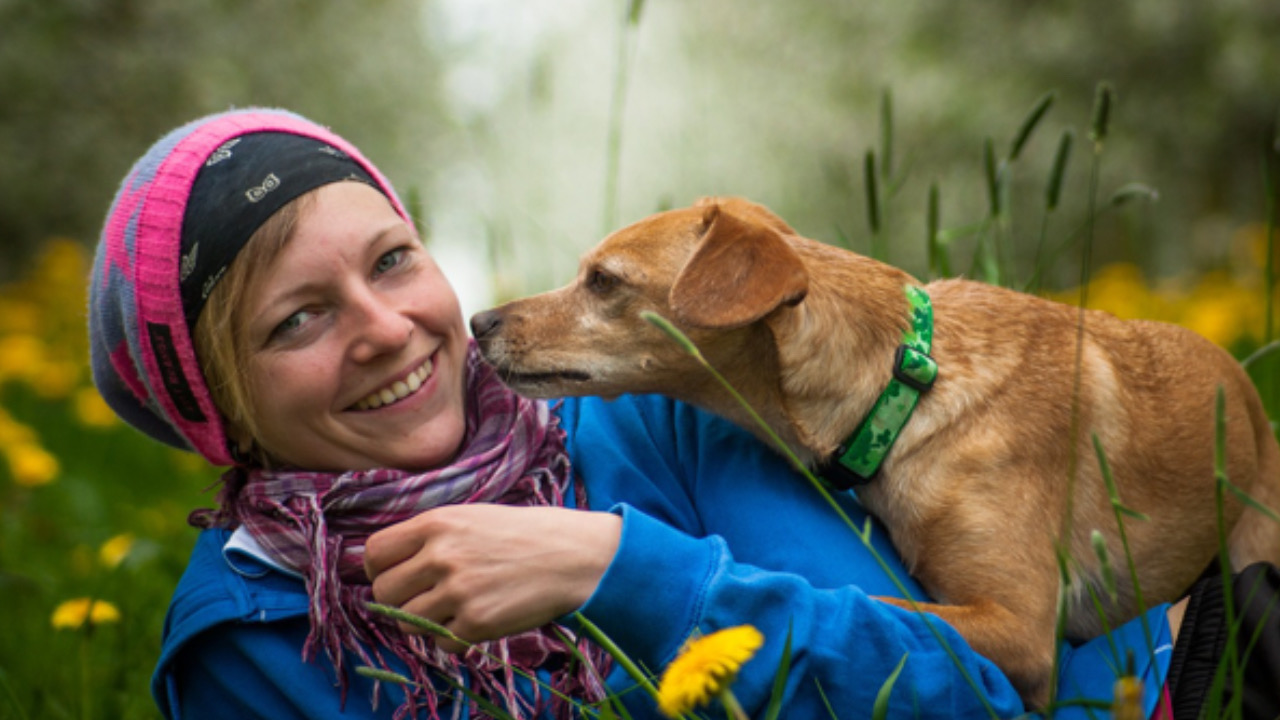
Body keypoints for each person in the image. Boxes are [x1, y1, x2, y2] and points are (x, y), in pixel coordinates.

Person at [87, 108, 1264, 720]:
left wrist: (622, 570)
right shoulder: (239, 646)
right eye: (295, 321)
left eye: (394, 259)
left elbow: (972, 693)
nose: (389, 329)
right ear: (218, 410)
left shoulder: (663, 420)